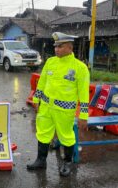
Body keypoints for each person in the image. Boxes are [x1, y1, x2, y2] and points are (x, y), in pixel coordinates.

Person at [27, 32, 90, 177]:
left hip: (64, 111)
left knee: (66, 136)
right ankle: (41, 160)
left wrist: (83, 116)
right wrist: (36, 100)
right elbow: (42, 83)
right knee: (42, 134)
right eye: (55, 46)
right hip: (46, 108)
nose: (56, 49)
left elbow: (84, 95)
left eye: (60, 46)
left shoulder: (80, 68)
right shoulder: (50, 62)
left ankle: (67, 162)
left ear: (69, 47)